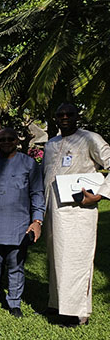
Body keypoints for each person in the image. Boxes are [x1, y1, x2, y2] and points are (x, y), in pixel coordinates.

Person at [43, 103, 110, 326]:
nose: (64, 117)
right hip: (53, 209)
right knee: (56, 258)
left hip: (78, 210)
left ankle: (77, 313)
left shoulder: (91, 138)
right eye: (60, 114)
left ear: (76, 116)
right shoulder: (51, 143)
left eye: (69, 114)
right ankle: (58, 304)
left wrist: (99, 196)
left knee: (76, 259)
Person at [0, 128, 45, 318]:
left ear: (16, 141)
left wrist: (37, 220)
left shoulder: (28, 163)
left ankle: (14, 303)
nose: (5, 142)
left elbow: (37, 193)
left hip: (19, 224)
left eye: (9, 139)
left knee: (16, 265)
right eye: (1, 139)